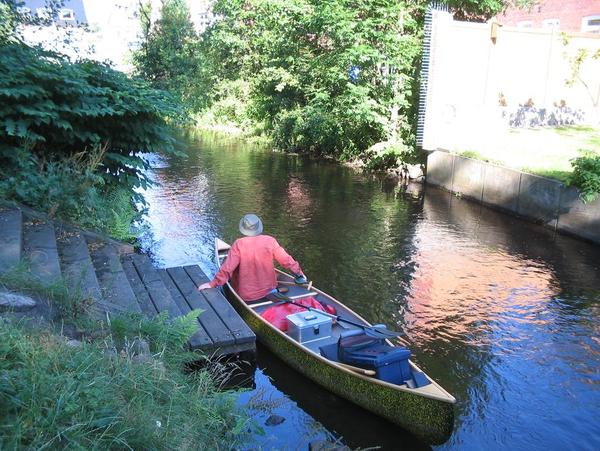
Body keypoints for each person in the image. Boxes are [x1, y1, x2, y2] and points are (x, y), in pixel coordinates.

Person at [197, 213, 308, 302]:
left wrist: (212, 284)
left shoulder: (239, 244)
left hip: (247, 296)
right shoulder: (270, 240)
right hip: (271, 291)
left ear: (244, 228)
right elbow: (286, 260)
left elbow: (227, 268)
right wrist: (299, 273)